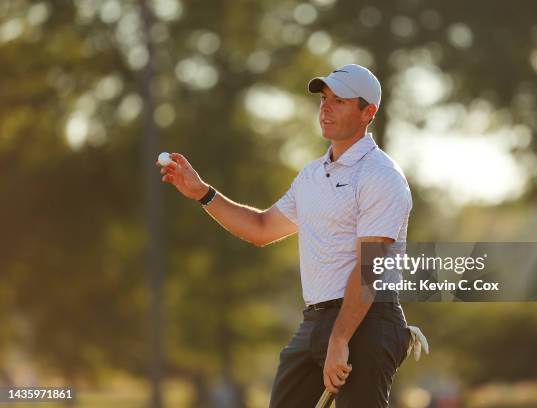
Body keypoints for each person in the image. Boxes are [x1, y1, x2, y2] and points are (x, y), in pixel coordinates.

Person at [158, 64, 413, 408]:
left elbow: (371, 267)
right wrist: (204, 193)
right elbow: (262, 228)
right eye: (324, 99)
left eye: (339, 101)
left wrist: (340, 339)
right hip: (316, 322)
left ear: (368, 112)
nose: (325, 107)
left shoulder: (380, 175)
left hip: (367, 321)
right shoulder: (311, 175)